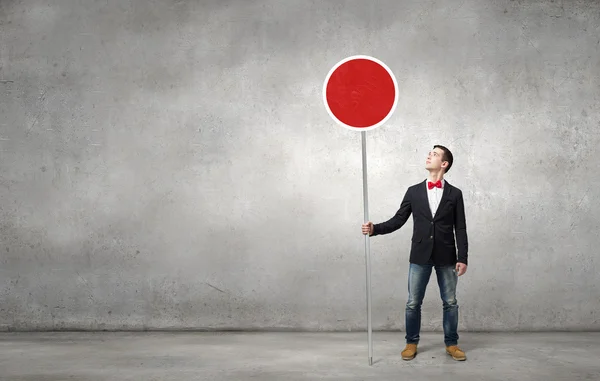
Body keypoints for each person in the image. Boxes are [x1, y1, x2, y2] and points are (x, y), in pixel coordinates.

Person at [362, 145, 468, 361]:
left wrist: (462, 257)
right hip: (420, 255)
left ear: (444, 164)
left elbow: (461, 228)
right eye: (430, 152)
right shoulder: (414, 191)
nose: (429, 155)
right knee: (413, 302)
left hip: (446, 256)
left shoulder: (455, 194)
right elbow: (398, 220)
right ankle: (411, 343)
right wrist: (376, 229)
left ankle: (452, 344)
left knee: (450, 302)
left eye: (435, 154)